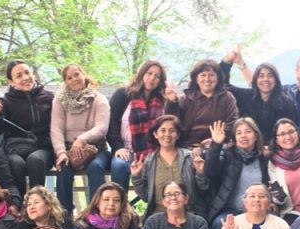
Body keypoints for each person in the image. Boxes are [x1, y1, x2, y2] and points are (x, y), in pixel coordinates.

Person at [106, 60, 180, 194]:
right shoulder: (123, 94)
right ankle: (119, 207)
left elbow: (173, 124)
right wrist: (118, 147)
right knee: (119, 165)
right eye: (149, 73)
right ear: (141, 74)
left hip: (155, 151)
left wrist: (172, 102)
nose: (152, 78)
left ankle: (156, 208)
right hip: (126, 150)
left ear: (161, 81)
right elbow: (111, 122)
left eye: (157, 76)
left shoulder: (162, 100)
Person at [0, 60, 55, 196]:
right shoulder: (7, 101)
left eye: (27, 72)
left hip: (43, 147)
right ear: (11, 82)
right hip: (16, 147)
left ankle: (38, 203)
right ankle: (19, 206)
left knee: (35, 160)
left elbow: (58, 126)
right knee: (15, 163)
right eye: (19, 76)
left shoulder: (48, 97)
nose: (25, 78)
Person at [50, 64, 111, 217]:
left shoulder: (98, 99)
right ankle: (64, 217)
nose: (74, 79)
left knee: (95, 168)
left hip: (96, 148)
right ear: (65, 81)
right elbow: (56, 129)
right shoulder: (59, 100)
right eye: (69, 77)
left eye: (76, 74)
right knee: (63, 169)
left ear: (83, 74)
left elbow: (102, 128)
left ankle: (95, 214)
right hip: (69, 150)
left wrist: (82, 139)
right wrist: (61, 152)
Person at [131, 114, 209, 219]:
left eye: (172, 131)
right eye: (163, 130)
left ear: (177, 135)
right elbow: (145, 196)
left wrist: (200, 173)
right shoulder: (149, 161)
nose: (167, 134)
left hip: (188, 215)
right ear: (155, 134)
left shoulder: (189, 157)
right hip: (158, 215)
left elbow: (202, 189)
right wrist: (136, 176)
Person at [202, 118, 270, 229]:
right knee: (219, 224)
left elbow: (269, 184)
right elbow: (210, 171)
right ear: (234, 138)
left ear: (256, 136)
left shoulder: (263, 158)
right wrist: (216, 144)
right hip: (231, 210)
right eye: (239, 133)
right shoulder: (227, 154)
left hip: (258, 208)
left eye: (248, 131)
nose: (243, 136)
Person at [219, 49, 297, 141]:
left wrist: (270, 148)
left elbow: (290, 130)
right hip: (246, 147)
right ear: (255, 79)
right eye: (261, 76)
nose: (266, 79)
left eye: (270, 76)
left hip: (275, 149)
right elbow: (223, 86)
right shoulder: (246, 96)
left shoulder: (286, 103)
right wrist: (226, 63)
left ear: (276, 80)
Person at [177, 59, 239, 148]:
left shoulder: (227, 98)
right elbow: (174, 123)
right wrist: (171, 102)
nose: (207, 79)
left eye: (211, 75)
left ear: (218, 77)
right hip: (189, 147)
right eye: (203, 75)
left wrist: (215, 140)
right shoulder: (186, 98)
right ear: (196, 79)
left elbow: (233, 123)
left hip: (220, 146)